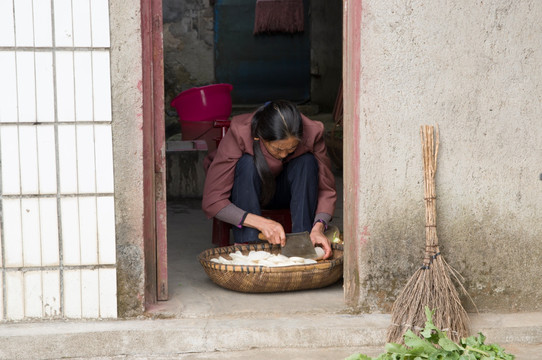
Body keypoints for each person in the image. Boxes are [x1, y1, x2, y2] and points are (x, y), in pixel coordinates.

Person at [202, 100, 337, 259]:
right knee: (246, 164)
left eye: (291, 149)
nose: (283, 155)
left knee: (306, 162)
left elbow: (326, 189)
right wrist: (261, 223)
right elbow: (213, 200)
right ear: (261, 137)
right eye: (278, 149)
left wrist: (319, 227)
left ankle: (303, 241)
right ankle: (248, 246)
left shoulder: (313, 132)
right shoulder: (241, 132)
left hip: (287, 194)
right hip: (249, 196)